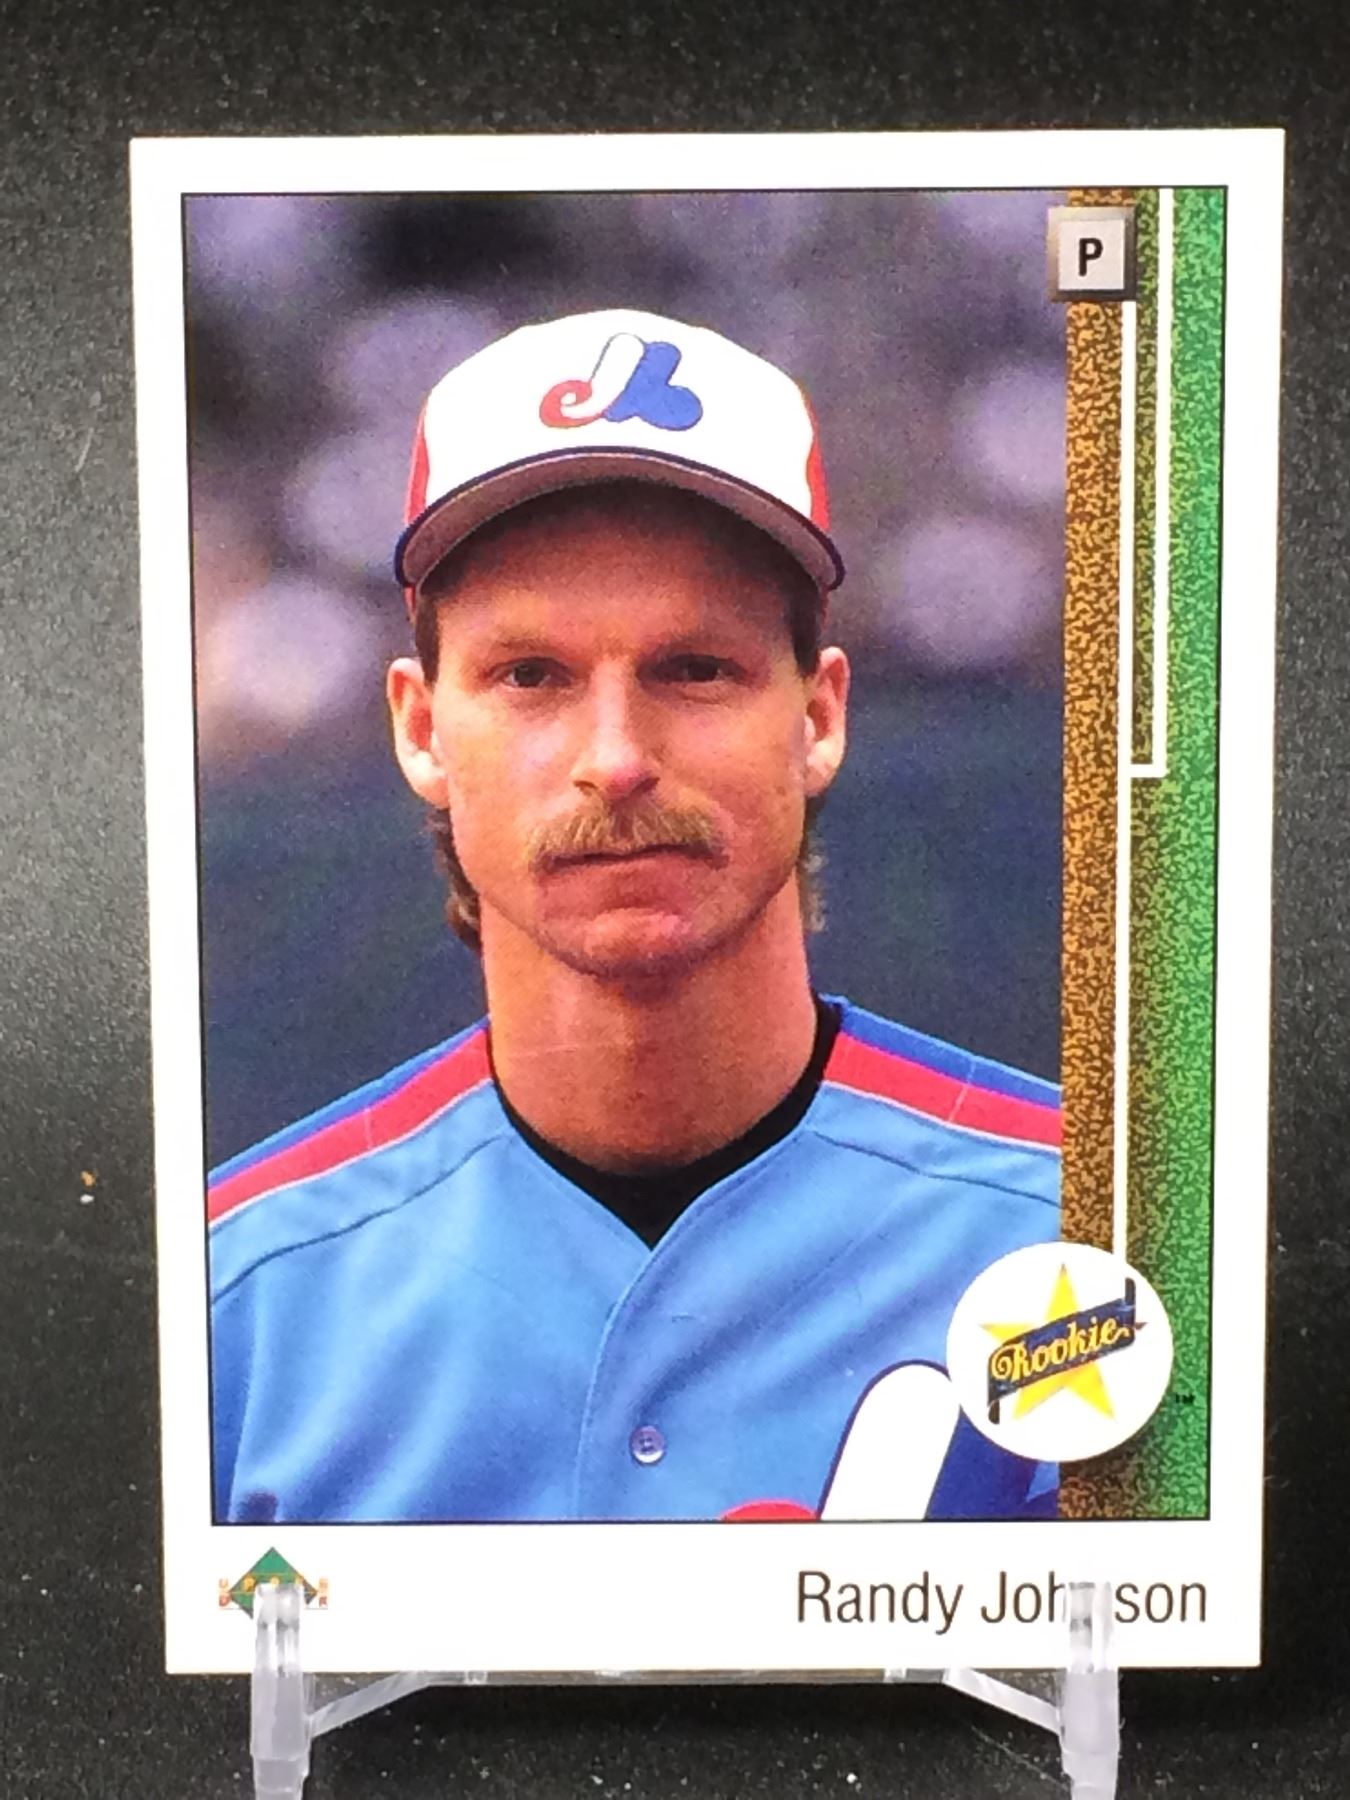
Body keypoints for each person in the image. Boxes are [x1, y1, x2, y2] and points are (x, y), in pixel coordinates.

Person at [207, 309, 1061, 1526]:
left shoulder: (1094, 1244)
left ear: (817, 717)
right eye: (530, 676)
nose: (614, 759)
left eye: (695, 668)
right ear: (421, 728)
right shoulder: (230, 1308)